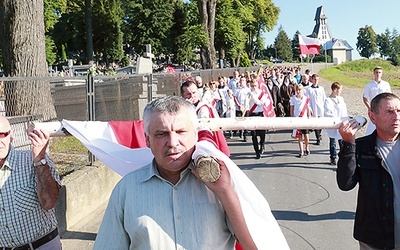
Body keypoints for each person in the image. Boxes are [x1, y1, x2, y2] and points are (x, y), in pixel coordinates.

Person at [93, 96, 257, 249]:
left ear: (195, 135)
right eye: (161, 134)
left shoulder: (223, 183)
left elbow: (252, 245)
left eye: (180, 132)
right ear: (148, 140)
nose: (172, 143)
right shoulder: (126, 190)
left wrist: (224, 192)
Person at [337, 92, 400, 250]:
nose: (397, 116)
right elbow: (345, 183)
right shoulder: (360, 147)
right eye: (389, 112)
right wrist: (348, 143)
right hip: (374, 237)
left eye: (399, 111)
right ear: (372, 117)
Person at [0, 116, 62, 249]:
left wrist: (40, 160)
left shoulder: (31, 160)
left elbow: (49, 202)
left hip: (41, 245)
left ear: (11, 136)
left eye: (2, 135)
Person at [363, 66, 392, 135]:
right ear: (374, 73)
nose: (378, 74)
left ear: (381, 74)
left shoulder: (386, 84)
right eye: (376, 72)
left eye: (379, 72)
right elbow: (365, 98)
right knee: (373, 124)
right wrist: (369, 108)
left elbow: (390, 96)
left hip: (384, 107)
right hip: (374, 107)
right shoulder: (369, 85)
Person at [324, 82, 348, 165]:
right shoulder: (328, 100)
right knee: (333, 141)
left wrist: (345, 119)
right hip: (333, 124)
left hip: (341, 123)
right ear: (335, 90)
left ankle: (342, 157)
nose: (340, 92)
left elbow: (344, 110)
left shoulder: (341, 99)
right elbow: (328, 112)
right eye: (339, 90)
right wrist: (335, 119)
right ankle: (333, 157)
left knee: (342, 141)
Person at [248, 79, 270, 159]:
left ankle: (262, 145)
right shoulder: (249, 93)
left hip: (260, 114)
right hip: (252, 114)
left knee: (262, 134)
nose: (254, 87)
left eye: (255, 86)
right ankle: (257, 152)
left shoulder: (262, 93)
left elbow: (261, 103)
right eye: (252, 86)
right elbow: (246, 102)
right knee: (253, 135)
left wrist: (254, 98)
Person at [290, 84, 312, 157]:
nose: (298, 91)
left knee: (306, 136)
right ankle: (301, 151)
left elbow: (308, 108)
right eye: (297, 90)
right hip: (297, 119)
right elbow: (292, 108)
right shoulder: (293, 98)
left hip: (304, 119)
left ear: (303, 90)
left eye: (300, 90)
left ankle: (307, 148)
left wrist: (309, 117)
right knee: (299, 136)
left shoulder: (306, 99)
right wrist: (292, 117)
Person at [306, 73, 326, 145]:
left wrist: (325, 107)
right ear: (312, 80)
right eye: (315, 79)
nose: (316, 81)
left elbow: (324, 98)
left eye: (317, 80)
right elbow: (307, 100)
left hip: (321, 108)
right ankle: (318, 137)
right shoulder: (309, 89)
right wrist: (309, 108)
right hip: (313, 108)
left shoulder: (321, 89)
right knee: (316, 124)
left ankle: (319, 134)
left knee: (321, 124)